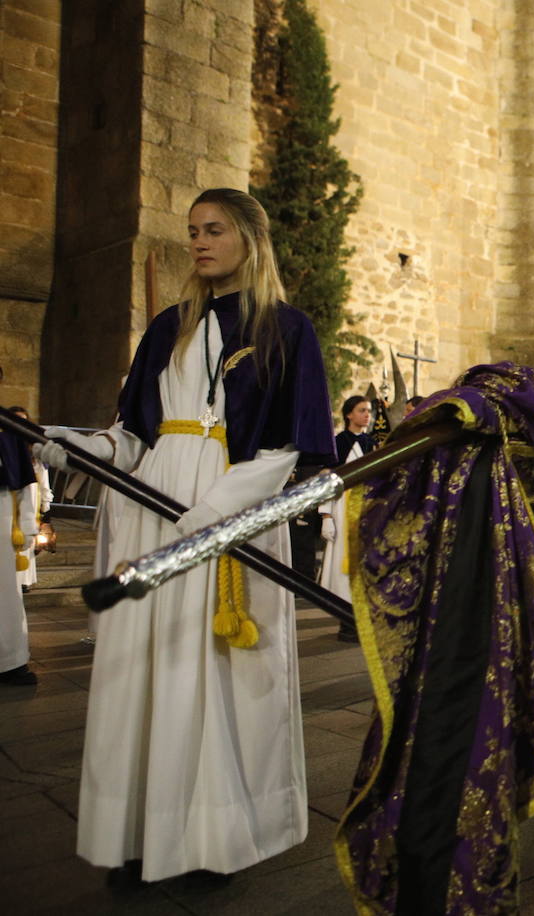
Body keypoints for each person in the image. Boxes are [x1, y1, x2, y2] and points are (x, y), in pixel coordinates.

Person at [38, 188, 335, 885]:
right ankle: (141, 834)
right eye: (194, 231)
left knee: (216, 675)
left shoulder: (286, 329)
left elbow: (296, 447)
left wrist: (219, 511)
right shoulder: (167, 327)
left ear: (251, 240)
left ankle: (211, 837)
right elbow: (134, 438)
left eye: (216, 231)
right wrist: (77, 449)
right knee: (146, 668)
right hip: (153, 511)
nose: (201, 243)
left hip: (232, 516)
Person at [319, 394, 375, 642]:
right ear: (349, 414)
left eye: (369, 411)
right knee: (341, 562)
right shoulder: (338, 443)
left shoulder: (370, 443)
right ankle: (345, 618)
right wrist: (326, 515)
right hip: (342, 508)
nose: (367, 415)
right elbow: (327, 483)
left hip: (364, 509)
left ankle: (361, 618)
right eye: (362, 410)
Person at [1, 367, 39, 686]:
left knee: (5, 591)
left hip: (0, 513)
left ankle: (10, 661)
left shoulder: (8, 426)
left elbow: (25, 482)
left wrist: (28, 524)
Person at [8, 407, 51, 593]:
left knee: (25, 542)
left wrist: (47, 516)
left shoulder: (34, 452)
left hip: (30, 503)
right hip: (8, 504)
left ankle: (23, 581)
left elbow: (44, 485)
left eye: (23, 421)